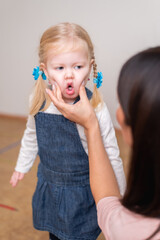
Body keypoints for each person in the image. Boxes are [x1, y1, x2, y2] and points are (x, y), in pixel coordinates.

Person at [10, 22, 126, 240]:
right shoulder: (39, 104)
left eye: (77, 67)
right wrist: (21, 166)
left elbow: (111, 154)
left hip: (83, 194)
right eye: (60, 68)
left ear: (90, 68)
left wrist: (119, 199)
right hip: (51, 188)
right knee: (55, 235)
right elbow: (31, 136)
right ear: (44, 70)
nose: (69, 75)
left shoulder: (96, 108)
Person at [46, 46, 160, 240]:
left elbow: (109, 202)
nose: (69, 76)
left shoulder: (128, 229)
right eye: (60, 68)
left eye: (121, 104)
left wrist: (91, 126)